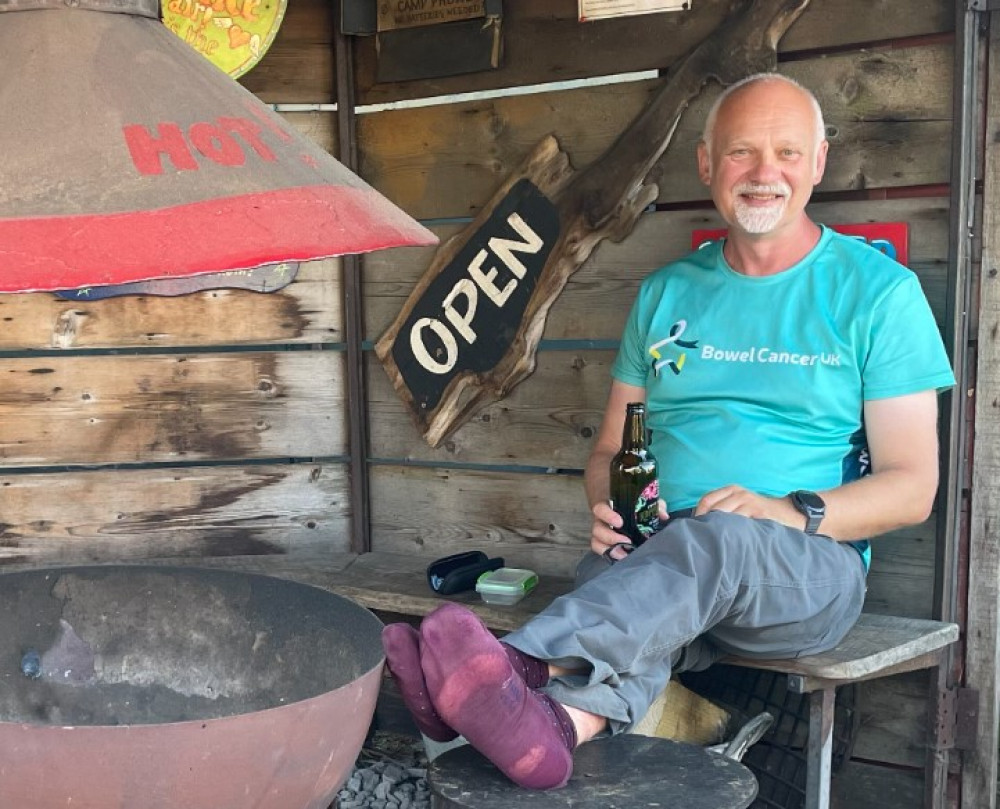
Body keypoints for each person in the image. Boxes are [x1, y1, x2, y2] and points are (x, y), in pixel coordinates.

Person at [381, 72, 956, 791]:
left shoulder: (878, 293)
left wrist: (786, 511)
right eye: (742, 153)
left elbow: (912, 488)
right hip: (662, 556)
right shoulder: (666, 292)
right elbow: (613, 450)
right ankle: (556, 730)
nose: (764, 173)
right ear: (708, 165)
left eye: (785, 152)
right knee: (644, 577)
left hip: (807, 568)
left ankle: (521, 664)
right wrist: (610, 506)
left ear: (817, 163)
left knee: (705, 546)